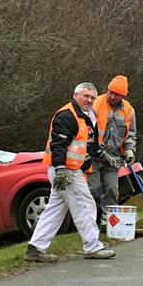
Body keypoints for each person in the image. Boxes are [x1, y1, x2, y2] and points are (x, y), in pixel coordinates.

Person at [25, 82, 116, 262]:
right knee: (85, 205)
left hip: (69, 170)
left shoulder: (89, 116)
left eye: (92, 97)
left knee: (55, 209)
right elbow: (58, 145)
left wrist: (102, 154)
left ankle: (35, 248)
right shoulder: (67, 116)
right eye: (86, 96)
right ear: (76, 96)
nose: (89, 100)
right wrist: (60, 170)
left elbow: (90, 143)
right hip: (66, 171)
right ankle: (92, 247)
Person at [88, 75, 137, 219]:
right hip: (94, 157)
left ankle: (108, 221)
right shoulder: (95, 104)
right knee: (93, 190)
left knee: (111, 189)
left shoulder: (129, 110)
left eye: (117, 94)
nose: (112, 96)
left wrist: (129, 150)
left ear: (123, 96)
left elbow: (131, 134)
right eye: (110, 92)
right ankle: (91, 221)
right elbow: (88, 132)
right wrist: (98, 151)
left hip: (114, 159)